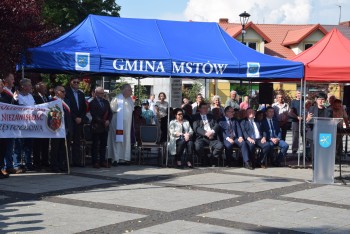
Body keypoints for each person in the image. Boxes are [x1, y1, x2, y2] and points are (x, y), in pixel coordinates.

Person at [108, 84, 134, 165]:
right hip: (117, 124)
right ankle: (115, 158)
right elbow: (112, 108)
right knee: (117, 140)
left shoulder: (130, 99)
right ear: (124, 90)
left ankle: (124, 158)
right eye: (130, 90)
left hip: (127, 125)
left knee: (126, 140)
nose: (131, 91)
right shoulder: (117, 99)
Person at [13, 78, 35, 171]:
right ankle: (17, 164)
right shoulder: (18, 96)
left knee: (28, 146)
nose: (31, 87)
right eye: (29, 85)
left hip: (30, 125)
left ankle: (28, 163)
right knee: (18, 145)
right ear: (23, 86)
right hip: (20, 126)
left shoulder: (31, 96)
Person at [50, 86, 72, 172]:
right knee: (55, 148)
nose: (64, 93)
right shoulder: (52, 101)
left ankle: (61, 164)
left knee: (63, 148)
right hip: (57, 128)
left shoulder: (67, 101)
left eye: (65, 91)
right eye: (63, 91)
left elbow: (69, 116)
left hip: (66, 128)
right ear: (57, 92)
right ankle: (54, 166)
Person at [65, 77, 87, 167]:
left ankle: (76, 161)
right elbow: (67, 107)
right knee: (68, 141)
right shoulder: (66, 92)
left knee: (77, 142)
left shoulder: (81, 94)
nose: (76, 83)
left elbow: (84, 108)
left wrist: (80, 118)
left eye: (78, 82)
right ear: (71, 82)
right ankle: (67, 161)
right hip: (70, 120)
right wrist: (75, 117)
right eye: (75, 82)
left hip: (79, 121)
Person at [89, 87, 112, 169]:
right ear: (96, 93)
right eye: (101, 93)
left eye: (103, 93)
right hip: (96, 127)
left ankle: (102, 161)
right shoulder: (92, 103)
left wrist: (108, 120)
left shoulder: (106, 102)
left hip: (105, 127)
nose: (103, 95)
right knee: (95, 145)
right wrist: (103, 121)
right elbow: (94, 115)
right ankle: (95, 162)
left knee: (103, 145)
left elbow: (110, 113)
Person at [306, 92, 333, 161]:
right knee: (314, 155)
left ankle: (323, 169)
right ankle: (315, 169)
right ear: (316, 100)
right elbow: (308, 123)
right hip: (313, 134)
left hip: (324, 136)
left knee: (323, 154)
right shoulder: (312, 108)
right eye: (319, 99)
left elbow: (331, 120)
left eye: (323, 99)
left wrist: (326, 104)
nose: (321, 101)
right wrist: (308, 119)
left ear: (325, 100)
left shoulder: (328, 109)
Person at [1, 73, 19, 174]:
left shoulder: (12, 92)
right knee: (3, 145)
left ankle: (9, 165)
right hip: (4, 124)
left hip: (12, 123)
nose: (13, 81)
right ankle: (3, 166)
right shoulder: (3, 93)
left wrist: (15, 99)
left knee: (9, 145)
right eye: (12, 79)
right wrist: (14, 99)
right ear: (6, 81)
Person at [32, 82, 50, 170]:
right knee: (37, 145)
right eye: (44, 88)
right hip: (38, 125)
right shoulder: (35, 97)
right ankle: (37, 163)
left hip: (46, 125)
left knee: (45, 144)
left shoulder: (46, 97)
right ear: (39, 89)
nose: (45, 89)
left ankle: (45, 161)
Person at [0, 80, 10, 178]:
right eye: (1, 85)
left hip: (4, 129)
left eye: (3, 85)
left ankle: (1, 169)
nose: (2, 87)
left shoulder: (5, 97)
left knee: (3, 149)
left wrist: (14, 99)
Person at [289, 90, 303, 154]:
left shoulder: (304, 101)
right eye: (298, 93)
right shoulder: (293, 102)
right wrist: (297, 117)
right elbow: (291, 112)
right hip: (295, 121)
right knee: (295, 136)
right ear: (296, 94)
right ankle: (294, 150)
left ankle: (305, 150)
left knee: (304, 135)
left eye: (300, 93)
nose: (299, 94)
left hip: (303, 121)